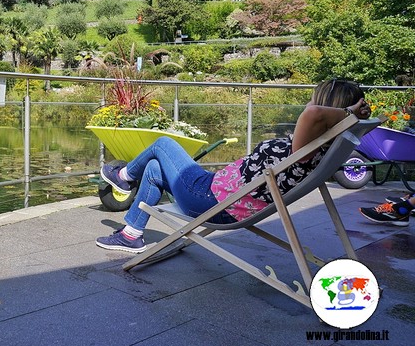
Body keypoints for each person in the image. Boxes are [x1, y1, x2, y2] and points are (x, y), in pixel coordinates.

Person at [97, 79, 372, 253]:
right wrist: (349, 115)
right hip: (216, 195)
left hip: (210, 201)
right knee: (156, 169)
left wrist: (346, 113)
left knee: (162, 144)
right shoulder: (319, 147)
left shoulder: (304, 150)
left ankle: (123, 176)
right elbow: (316, 114)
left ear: (326, 109)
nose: (309, 103)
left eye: (315, 98)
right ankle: (131, 235)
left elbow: (312, 113)